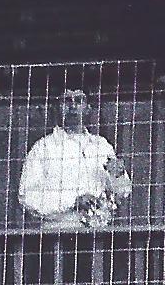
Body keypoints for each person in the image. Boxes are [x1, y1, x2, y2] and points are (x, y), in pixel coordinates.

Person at [18, 86, 134, 229]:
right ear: (57, 107)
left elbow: (122, 193)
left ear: (88, 108)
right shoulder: (43, 148)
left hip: (98, 234)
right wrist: (72, 202)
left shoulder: (102, 145)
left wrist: (119, 175)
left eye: (79, 101)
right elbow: (28, 197)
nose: (72, 106)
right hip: (58, 234)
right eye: (67, 101)